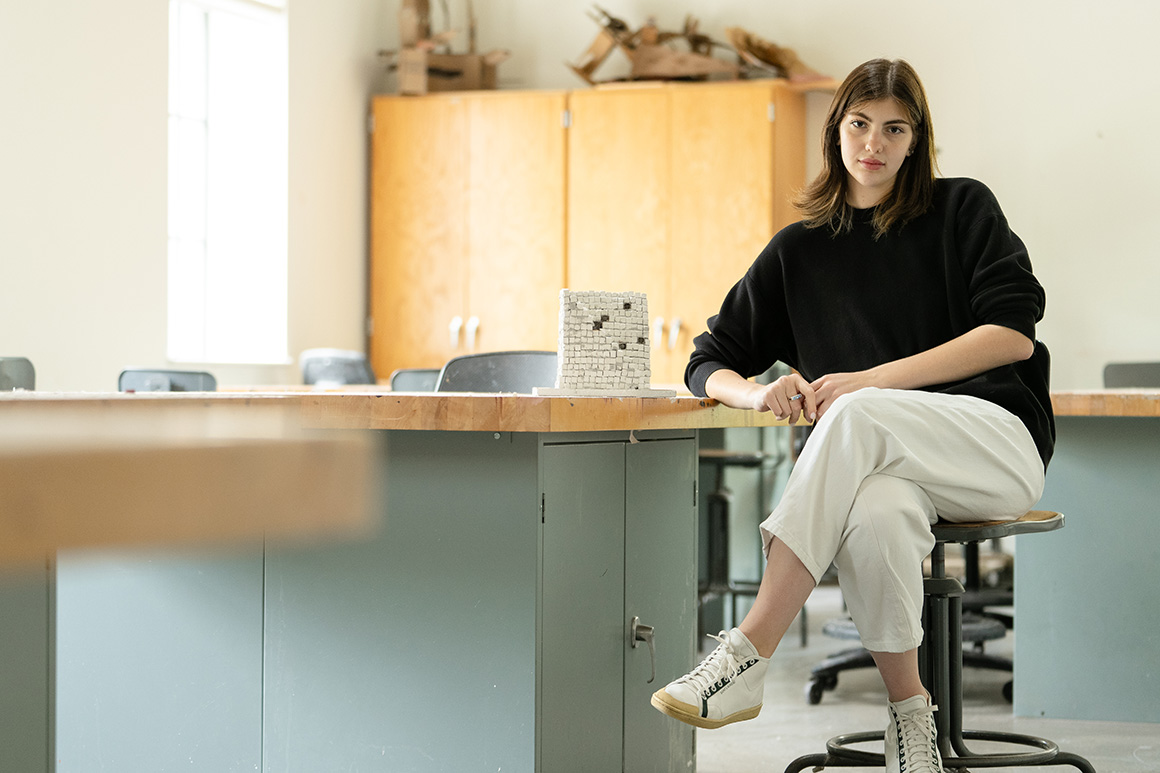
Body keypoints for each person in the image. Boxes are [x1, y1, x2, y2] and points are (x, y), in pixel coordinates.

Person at [649, 58, 1054, 773]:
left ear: (915, 139)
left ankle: (747, 650)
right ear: (836, 130)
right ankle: (911, 723)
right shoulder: (798, 253)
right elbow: (709, 358)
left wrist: (869, 382)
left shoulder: (963, 209)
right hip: (887, 465)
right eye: (860, 124)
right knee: (875, 512)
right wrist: (758, 391)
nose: (874, 142)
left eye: (894, 129)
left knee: (860, 415)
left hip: (994, 442)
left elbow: (1012, 332)